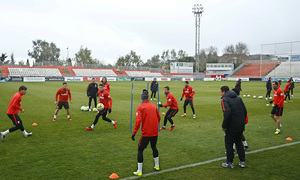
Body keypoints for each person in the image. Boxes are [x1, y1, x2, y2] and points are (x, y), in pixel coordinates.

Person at [131, 89, 161, 176]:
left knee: (140, 149)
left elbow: (138, 121)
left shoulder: (140, 107)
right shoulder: (154, 106)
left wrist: (134, 133)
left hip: (146, 133)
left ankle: (139, 171)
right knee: (154, 147)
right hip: (154, 132)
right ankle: (157, 165)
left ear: (141, 98)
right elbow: (159, 118)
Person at [220, 86, 247, 168]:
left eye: (220, 92)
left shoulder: (225, 99)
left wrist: (224, 125)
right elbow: (244, 111)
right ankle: (242, 161)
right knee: (239, 142)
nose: (220, 93)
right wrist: (242, 122)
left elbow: (227, 113)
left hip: (232, 126)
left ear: (224, 92)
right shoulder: (238, 98)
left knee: (229, 143)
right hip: (240, 124)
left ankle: (229, 162)